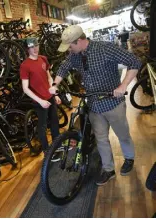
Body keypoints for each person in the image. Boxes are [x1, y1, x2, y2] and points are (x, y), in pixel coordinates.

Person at [49, 25, 142, 186]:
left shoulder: (105, 48)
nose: (68, 50)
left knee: (123, 135)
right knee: (101, 139)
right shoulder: (75, 55)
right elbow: (64, 67)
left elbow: (134, 61)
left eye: (70, 46)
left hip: (113, 103)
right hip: (94, 105)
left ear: (79, 41)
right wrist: (55, 83)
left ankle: (129, 158)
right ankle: (108, 169)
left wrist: (123, 86)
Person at [20, 38, 61, 156]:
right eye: (32, 47)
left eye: (36, 46)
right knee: (42, 126)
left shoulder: (43, 59)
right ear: (27, 49)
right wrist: (40, 101)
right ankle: (48, 153)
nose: (35, 49)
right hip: (39, 101)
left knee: (54, 122)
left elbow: (49, 77)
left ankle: (57, 146)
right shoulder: (25, 65)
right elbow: (25, 88)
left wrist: (54, 92)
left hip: (50, 97)